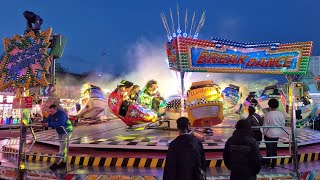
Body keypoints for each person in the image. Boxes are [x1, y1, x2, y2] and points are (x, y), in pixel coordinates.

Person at [43, 104, 73, 170]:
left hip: (67, 130)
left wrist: (49, 124)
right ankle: (64, 161)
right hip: (60, 131)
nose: (50, 113)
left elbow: (60, 123)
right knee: (63, 147)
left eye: (51, 111)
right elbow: (48, 119)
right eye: (49, 111)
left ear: (56, 109)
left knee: (62, 148)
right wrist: (44, 122)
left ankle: (56, 163)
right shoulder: (51, 115)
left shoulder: (61, 114)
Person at [262, 98, 285, 168]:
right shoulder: (281, 114)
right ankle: (274, 163)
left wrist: (264, 134)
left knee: (269, 149)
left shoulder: (267, 114)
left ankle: (268, 162)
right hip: (277, 134)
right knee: (275, 148)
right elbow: (283, 124)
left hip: (269, 134)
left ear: (269, 105)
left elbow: (265, 126)